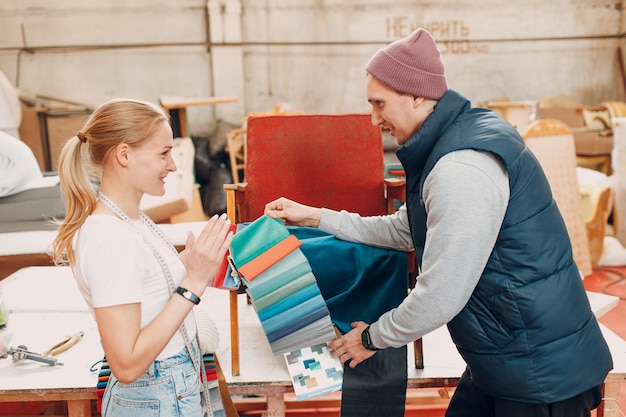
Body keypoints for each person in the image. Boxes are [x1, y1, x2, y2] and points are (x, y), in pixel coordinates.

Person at [265, 28, 613, 417]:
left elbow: (440, 296)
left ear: (417, 95)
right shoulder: (450, 141)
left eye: (380, 104)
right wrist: (313, 216)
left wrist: (371, 338)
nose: (373, 118)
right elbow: (405, 230)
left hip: (539, 374)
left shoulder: (459, 167)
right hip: (505, 357)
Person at [52, 98, 234, 417]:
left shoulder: (131, 221)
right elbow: (127, 363)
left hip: (169, 390)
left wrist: (195, 261)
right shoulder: (110, 237)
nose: (174, 166)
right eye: (164, 153)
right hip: (157, 395)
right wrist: (193, 282)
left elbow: (146, 284)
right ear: (124, 155)